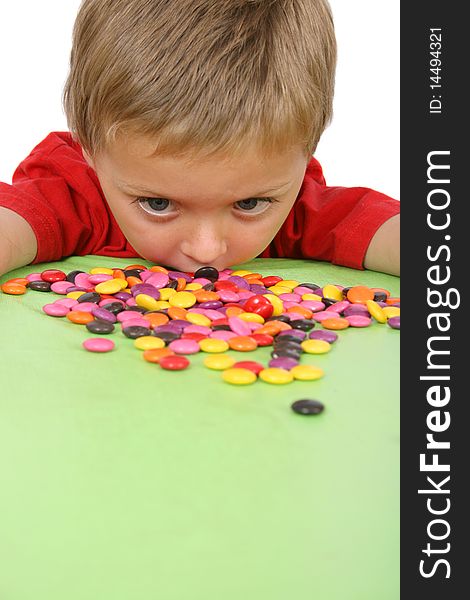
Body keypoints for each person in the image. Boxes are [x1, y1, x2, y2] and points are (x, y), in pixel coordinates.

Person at [0, 0, 399, 280]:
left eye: (248, 204)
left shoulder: (298, 211)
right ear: (90, 149)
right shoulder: (73, 195)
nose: (206, 250)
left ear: (307, 148)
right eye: (158, 204)